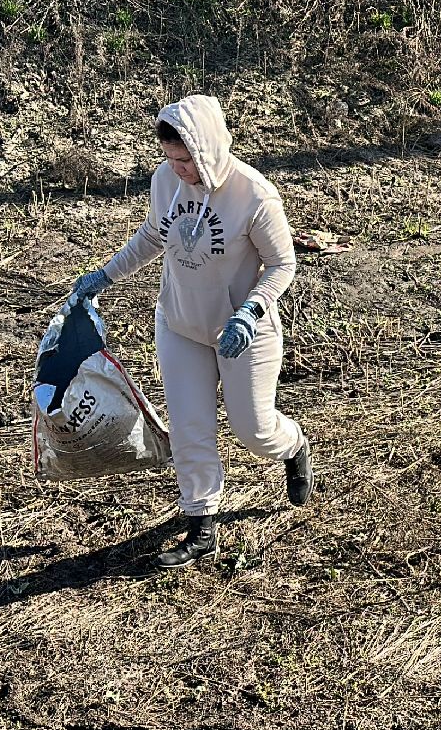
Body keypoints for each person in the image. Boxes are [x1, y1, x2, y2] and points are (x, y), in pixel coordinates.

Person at [66, 95, 313, 568]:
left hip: (242, 331)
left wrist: (252, 311)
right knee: (189, 428)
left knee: (254, 430)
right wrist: (103, 276)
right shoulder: (166, 181)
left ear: (209, 148)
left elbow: (283, 264)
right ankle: (202, 526)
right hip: (180, 324)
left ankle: (293, 446)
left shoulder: (254, 196)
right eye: (170, 159)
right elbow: (152, 236)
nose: (177, 170)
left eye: (185, 160)